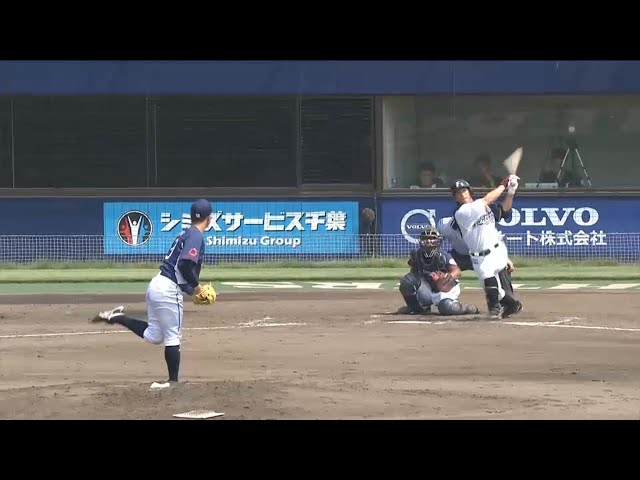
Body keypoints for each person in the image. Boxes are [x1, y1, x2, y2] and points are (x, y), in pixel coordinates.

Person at [90, 199, 214, 388]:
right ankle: (173, 382)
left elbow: (179, 270)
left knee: (154, 335)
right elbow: (184, 265)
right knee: (173, 335)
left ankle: (117, 317)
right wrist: (197, 287)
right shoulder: (196, 236)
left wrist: (191, 290)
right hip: (168, 289)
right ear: (209, 218)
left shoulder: (186, 233)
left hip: (157, 285)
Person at [451, 178, 523, 319]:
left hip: (497, 250)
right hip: (479, 256)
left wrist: (511, 191)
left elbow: (504, 210)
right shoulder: (461, 212)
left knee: (488, 278)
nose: (462, 194)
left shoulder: (484, 207)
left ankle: (494, 309)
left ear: (470, 192)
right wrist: (503, 184)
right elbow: (487, 199)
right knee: (491, 287)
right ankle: (512, 304)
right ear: (456, 198)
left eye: (464, 190)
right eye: (458, 193)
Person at [437, 200, 517, 309]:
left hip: (481, 257)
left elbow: (494, 240)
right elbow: (437, 241)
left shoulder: (479, 226)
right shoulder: (444, 225)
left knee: (501, 268)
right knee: (439, 264)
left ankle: (508, 301)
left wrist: (505, 259)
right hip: (459, 256)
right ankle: (438, 298)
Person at [398, 226, 480, 316]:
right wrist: (408, 283)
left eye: (432, 238)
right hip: (427, 288)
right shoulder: (416, 255)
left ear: (438, 240)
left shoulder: (443, 256)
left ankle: (465, 308)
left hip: (444, 290)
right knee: (407, 281)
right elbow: (413, 274)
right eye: (426, 238)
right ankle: (416, 308)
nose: (429, 241)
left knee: (446, 307)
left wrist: (444, 280)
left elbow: (457, 271)